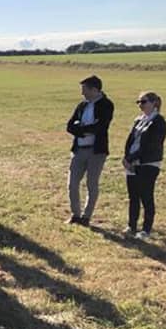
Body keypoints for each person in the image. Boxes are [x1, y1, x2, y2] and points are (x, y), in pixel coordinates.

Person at [66, 75, 114, 226]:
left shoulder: (106, 105)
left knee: (91, 183)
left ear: (94, 89)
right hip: (79, 149)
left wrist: (80, 128)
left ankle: (86, 217)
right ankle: (75, 215)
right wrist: (84, 130)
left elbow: (100, 127)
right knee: (72, 183)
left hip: (96, 151)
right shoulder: (82, 105)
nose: (82, 93)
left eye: (84, 90)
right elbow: (69, 126)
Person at [123, 92, 166, 239]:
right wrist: (127, 158)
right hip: (132, 162)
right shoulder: (139, 120)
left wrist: (132, 158)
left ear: (154, 103)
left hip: (148, 163)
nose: (140, 105)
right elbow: (131, 140)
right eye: (139, 102)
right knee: (133, 196)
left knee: (146, 195)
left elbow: (151, 145)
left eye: (144, 102)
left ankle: (146, 229)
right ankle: (131, 225)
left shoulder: (159, 122)